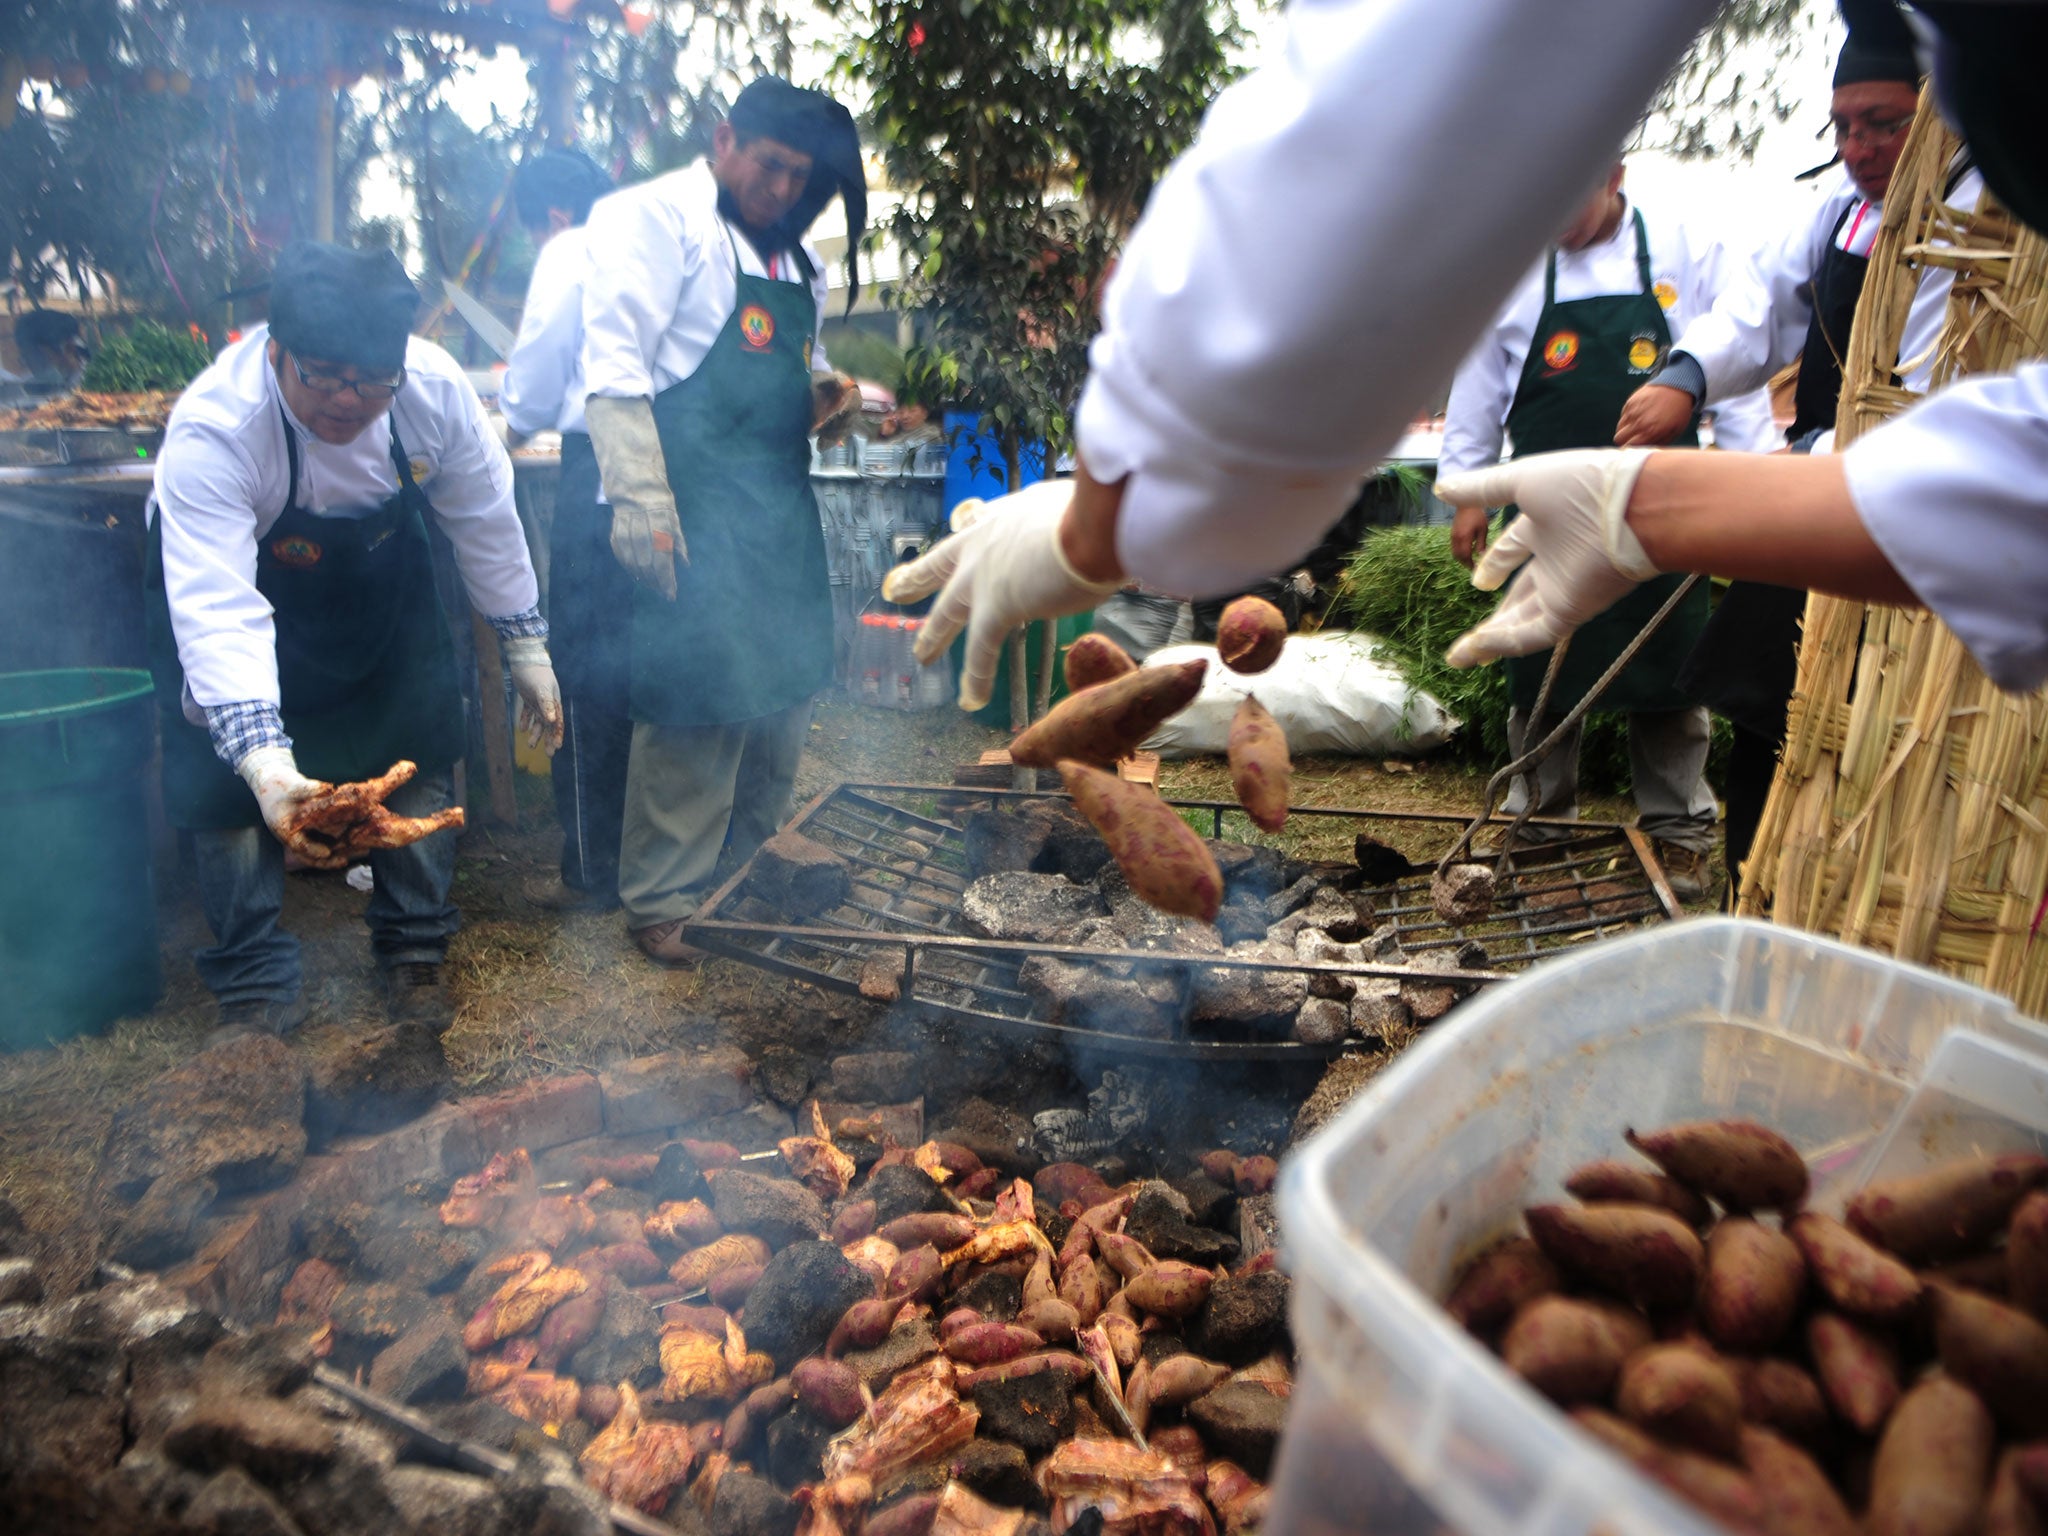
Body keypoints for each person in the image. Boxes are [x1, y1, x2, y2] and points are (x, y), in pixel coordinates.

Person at [884, 0, 2046, 765]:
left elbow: (1385, 143)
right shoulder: (1796, 229)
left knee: (1676, 713)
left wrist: (1108, 514)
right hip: (1656, 506)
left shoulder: (1685, 239)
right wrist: (1644, 508)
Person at [146, 241, 563, 1036]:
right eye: (326, 375)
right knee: (225, 792)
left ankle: (413, 951)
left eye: (374, 379)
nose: (351, 398)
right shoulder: (217, 428)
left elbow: (484, 515)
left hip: (376, 586)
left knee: (417, 742)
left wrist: (524, 642)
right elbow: (219, 609)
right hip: (238, 591)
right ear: (275, 353)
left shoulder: (431, 392)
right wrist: (266, 765)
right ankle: (255, 986)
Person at [1606, 17, 1981, 886]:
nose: (1860, 147)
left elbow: (1937, 395)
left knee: (1887, 733)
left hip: (1910, 528)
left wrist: (1808, 466)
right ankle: (1757, 886)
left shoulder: (1982, 224)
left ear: (1936, 110)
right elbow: (1758, 309)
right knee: (1766, 704)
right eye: (1845, 126)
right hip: (1815, 510)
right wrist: (1685, 378)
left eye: (1884, 122)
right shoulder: (1841, 215)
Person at [579, 78, 865, 967]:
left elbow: (794, 367)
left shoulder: (795, 262)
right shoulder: (657, 220)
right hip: (691, 502)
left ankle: (756, 873)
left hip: (777, 503)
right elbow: (617, 365)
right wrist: (639, 497)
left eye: (800, 178)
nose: (781, 192)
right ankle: (664, 898)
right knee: (698, 697)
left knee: (782, 687)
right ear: (724, 137)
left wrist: (829, 393)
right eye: (770, 167)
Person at [1439, 162, 1779, 898]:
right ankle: (1538, 827)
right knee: (1535, 666)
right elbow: (1479, 379)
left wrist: (1756, 484)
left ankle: (1679, 833)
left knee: (1667, 670)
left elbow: (1732, 367)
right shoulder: (1513, 269)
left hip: (1660, 508)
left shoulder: (1686, 248)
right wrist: (1467, 488)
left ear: (1614, 173)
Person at [498, 147, 630, 914]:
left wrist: (512, 419)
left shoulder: (570, 247)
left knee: (587, 672)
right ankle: (673, 860)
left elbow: (530, 397)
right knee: (664, 666)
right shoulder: (668, 241)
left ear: (552, 215)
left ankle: (593, 873)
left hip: (604, 473)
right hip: (693, 477)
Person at [13, 309, 88, 388]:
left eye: (35, 356)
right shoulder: (25, 389)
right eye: (25, 357)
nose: (31, 366)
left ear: (69, 348)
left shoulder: (93, 389)